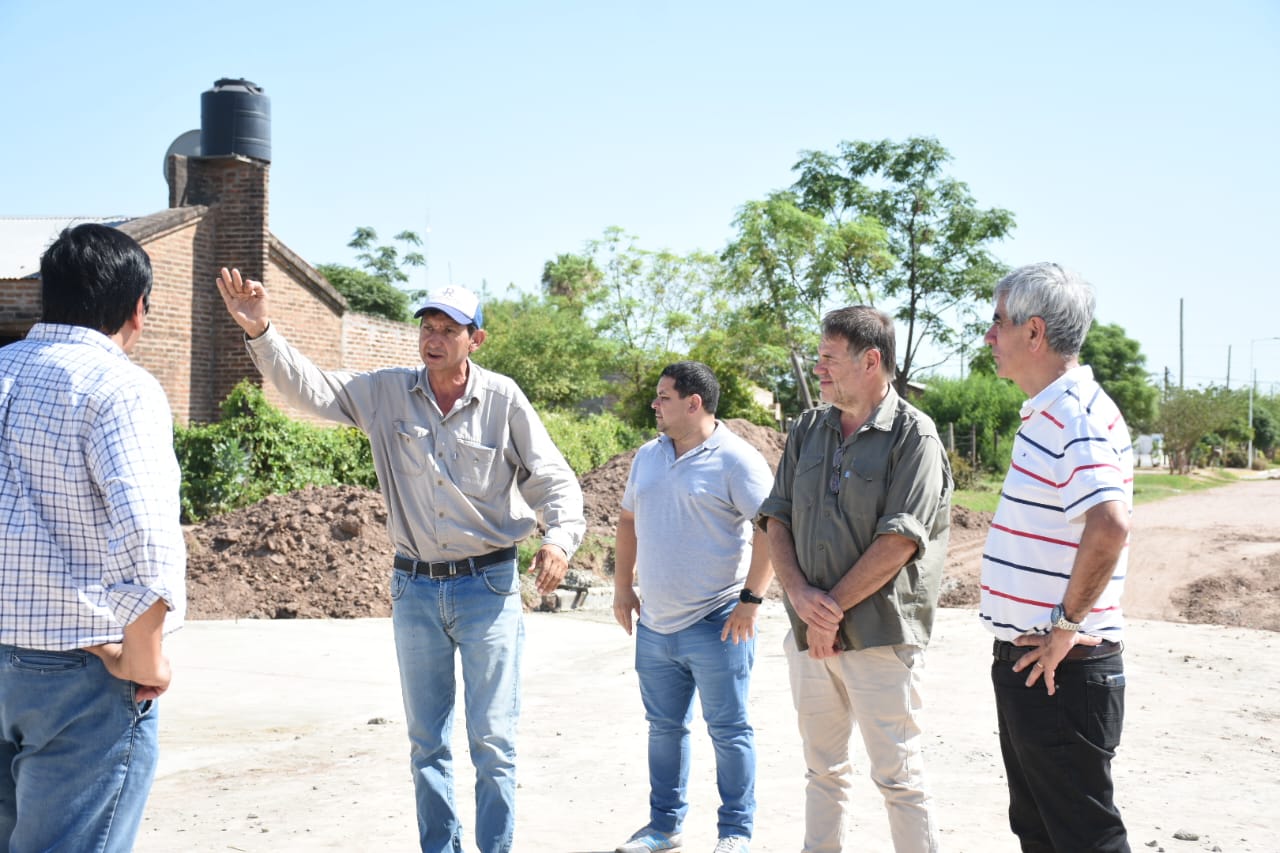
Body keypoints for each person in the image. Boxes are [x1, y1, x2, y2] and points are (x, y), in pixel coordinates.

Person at [216, 270, 585, 853]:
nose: (433, 338)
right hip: (414, 590)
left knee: (493, 741)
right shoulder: (386, 392)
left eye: (448, 330)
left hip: (488, 587)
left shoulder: (503, 399)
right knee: (426, 743)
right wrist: (261, 331)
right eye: (427, 327)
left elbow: (553, 479)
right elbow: (309, 388)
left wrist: (560, 538)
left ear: (476, 340)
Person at [0, 224, 187, 851]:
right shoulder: (120, 387)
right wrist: (145, 654)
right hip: (78, 676)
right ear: (137, 307)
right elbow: (145, 530)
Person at [757, 306, 952, 853]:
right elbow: (778, 516)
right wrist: (799, 598)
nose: (818, 369)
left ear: (871, 361)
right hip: (808, 638)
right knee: (822, 771)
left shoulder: (915, 436)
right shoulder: (807, 428)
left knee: (899, 779)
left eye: (828, 359)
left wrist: (828, 611)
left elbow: (900, 541)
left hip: (880, 639)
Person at [979, 262, 1133, 852]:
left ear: (1034, 331)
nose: (989, 336)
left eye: (998, 322)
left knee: (1082, 839)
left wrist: (1066, 627)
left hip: (1059, 671)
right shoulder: (1052, 410)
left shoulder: (1074, 415)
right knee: (1042, 833)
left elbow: (1110, 523)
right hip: (1037, 666)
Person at [612, 362, 775, 853]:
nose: (655, 405)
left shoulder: (737, 460)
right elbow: (625, 521)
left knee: (729, 731)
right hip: (655, 625)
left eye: (663, 397)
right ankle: (664, 827)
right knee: (663, 730)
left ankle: (735, 834)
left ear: (693, 402)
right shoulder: (647, 455)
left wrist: (750, 601)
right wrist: (622, 588)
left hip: (716, 623)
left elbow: (770, 528)